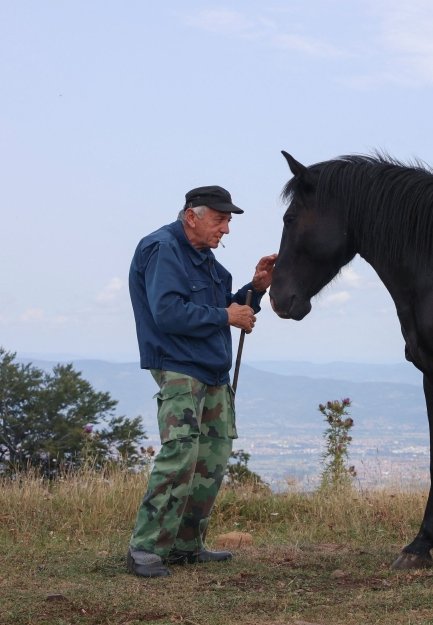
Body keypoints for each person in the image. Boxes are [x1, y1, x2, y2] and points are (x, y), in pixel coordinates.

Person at [125, 185, 276, 578]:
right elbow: (169, 312)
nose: (226, 229)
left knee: (211, 458)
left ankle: (185, 547)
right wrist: (228, 317)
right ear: (193, 215)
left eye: (228, 220)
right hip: (178, 368)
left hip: (212, 371)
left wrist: (255, 289)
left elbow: (221, 305)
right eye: (221, 218)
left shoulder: (204, 257)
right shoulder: (162, 248)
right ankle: (145, 549)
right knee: (180, 456)